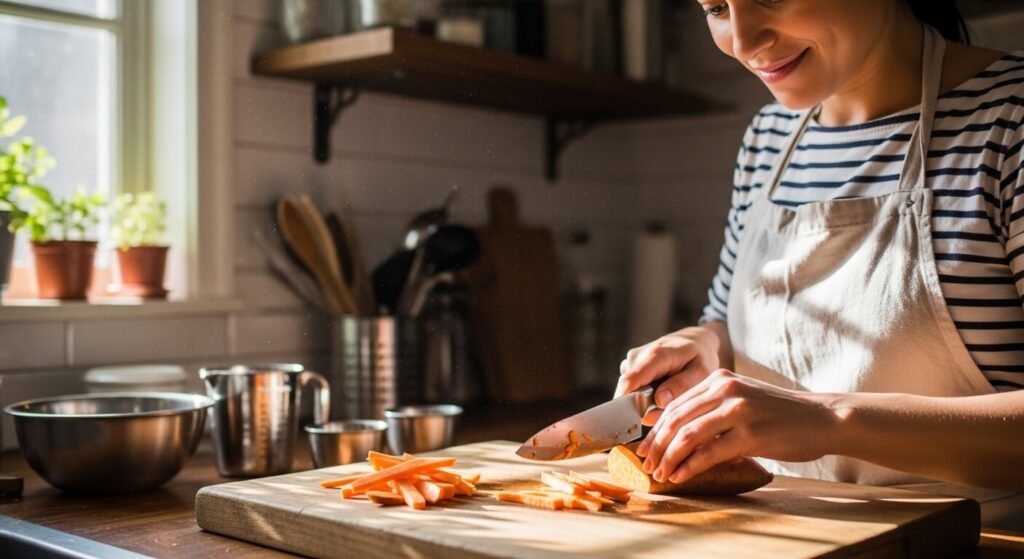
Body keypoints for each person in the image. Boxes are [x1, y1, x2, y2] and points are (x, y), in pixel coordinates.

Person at [614, 0, 1024, 530]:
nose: (742, 41)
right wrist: (706, 346)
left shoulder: (1010, 119)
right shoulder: (768, 140)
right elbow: (726, 321)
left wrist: (830, 419)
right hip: (784, 537)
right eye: (716, 7)